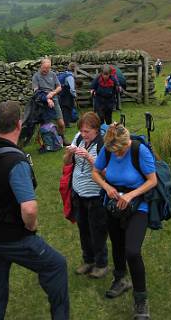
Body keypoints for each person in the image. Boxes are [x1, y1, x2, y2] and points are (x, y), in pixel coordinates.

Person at [0, 100, 69, 320]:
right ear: (19, 124)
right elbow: (29, 208)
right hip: (11, 236)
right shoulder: (15, 161)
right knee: (56, 265)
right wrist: (31, 226)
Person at [92, 123, 157, 320]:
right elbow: (95, 171)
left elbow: (152, 180)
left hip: (138, 206)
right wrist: (106, 187)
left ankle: (141, 299)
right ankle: (120, 279)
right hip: (113, 204)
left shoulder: (139, 150)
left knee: (132, 251)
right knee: (117, 244)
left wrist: (130, 196)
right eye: (113, 151)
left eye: (119, 151)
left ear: (126, 142)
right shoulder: (108, 148)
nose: (117, 155)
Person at [63, 112, 108, 278]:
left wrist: (89, 157)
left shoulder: (102, 144)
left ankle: (102, 264)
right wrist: (70, 152)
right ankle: (88, 260)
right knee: (83, 229)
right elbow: (67, 162)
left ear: (96, 130)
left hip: (95, 196)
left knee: (97, 230)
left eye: (87, 131)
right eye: (81, 130)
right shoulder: (78, 138)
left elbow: (106, 173)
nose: (83, 134)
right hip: (78, 193)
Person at [32, 58, 67, 144]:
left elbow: (59, 87)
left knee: (61, 123)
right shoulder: (36, 77)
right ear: (41, 66)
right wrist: (46, 98)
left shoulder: (53, 75)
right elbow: (36, 91)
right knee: (44, 125)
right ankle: (47, 143)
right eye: (44, 68)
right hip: (42, 103)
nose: (46, 70)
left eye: (48, 68)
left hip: (54, 100)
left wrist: (53, 93)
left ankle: (62, 139)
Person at [58, 62, 77, 128]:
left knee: (63, 108)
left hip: (62, 93)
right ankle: (66, 124)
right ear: (74, 68)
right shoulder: (70, 76)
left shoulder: (65, 73)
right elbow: (72, 88)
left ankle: (64, 123)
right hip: (67, 94)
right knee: (67, 108)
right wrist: (74, 95)